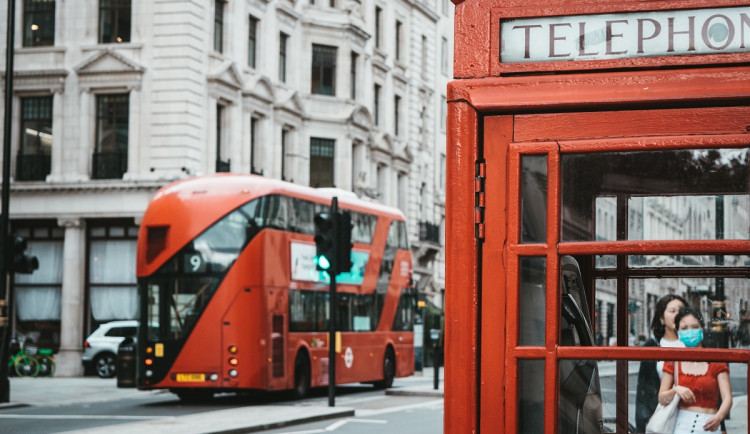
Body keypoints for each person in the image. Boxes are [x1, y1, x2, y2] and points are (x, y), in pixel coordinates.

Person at [657, 306, 732, 433]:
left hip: (709, 424)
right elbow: (661, 397)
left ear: (702, 328)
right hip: (681, 425)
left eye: (695, 327)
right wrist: (676, 390)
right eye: (684, 328)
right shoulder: (673, 360)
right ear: (678, 332)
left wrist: (719, 417)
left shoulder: (715, 359)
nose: (690, 331)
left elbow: (727, 398)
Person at [635, 294, 688, 433]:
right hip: (662, 417)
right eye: (672, 311)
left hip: (689, 417)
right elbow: (644, 391)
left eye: (681, 310)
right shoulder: (651, 346)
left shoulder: (693, 344)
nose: (678, 315)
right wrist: (641, 426)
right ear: (661, 318)